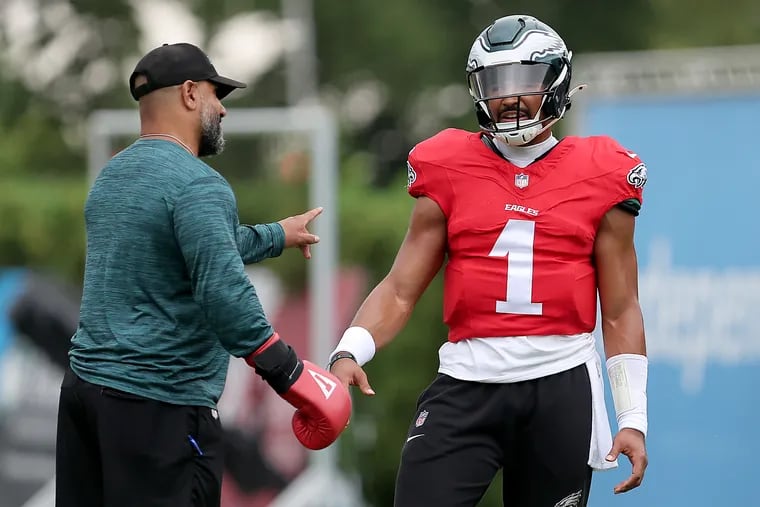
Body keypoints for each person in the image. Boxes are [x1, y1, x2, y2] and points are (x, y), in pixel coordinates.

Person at [329, 15, 649, 507]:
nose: (510, 98)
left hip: (558, 383)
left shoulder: (602, 171)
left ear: (556, 82)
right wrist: (351, 350)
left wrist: (632, 418)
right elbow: (399, 287)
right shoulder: (447, 164)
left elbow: (621, 308)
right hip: (467, 380)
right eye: (496, 84)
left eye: (525, 81)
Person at [55, 42, 351, 507]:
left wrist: (277, 234)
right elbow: (224, 293)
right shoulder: (198, 183)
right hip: (158, 406)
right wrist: (291, 373)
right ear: (190, 94)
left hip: (84, 397)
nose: (223, 111)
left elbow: (196, 247)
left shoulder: (112, 177)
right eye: (218, 96)